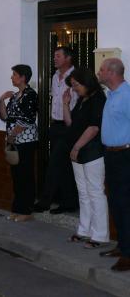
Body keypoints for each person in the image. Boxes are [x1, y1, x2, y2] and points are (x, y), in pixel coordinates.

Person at [62, 68, 109, 248]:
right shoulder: (82, 99)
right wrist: (65, 104)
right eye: (72, 86)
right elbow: (71, 124)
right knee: (83, 192)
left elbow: (94, 128)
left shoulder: (98, 99)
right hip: (79, 150)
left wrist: (76, 147)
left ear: (87, 82)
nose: (74, 89)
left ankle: (100, 235)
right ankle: (84, 230)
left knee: (95, 192)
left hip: (92, 151)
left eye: (76, 85)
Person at [35, 46, 79, 214]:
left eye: (58, 56)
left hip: (69, 126)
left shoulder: (76, 77)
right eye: (54, 56)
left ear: (68, 58)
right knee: (64, 165)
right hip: (56, 125)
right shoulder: (55, 77)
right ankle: (69, 202)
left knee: (54, 163)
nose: (54, 58)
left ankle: (45, 201)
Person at [97, 58, 130, 271]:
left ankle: (128, 254)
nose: (98, 72)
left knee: (125, 205)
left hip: (124, 156)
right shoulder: (111, 95)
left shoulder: (126, 95)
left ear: (111, 72)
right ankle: (123, 245)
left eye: (101, 69)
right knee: (115, 204)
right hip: (110, 155)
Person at [0, 64, 38, 222]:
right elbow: (4, 117)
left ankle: (26, 210)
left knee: (25, 175)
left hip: (25, 141)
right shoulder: (14, 96)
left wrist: (13, 135)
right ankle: (17, 209)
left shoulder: (30, 94)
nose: (11, 77)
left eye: (14, 74)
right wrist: (2, 99)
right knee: (16, 176)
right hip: (13, 140)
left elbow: (28, 119)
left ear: (23, 77)